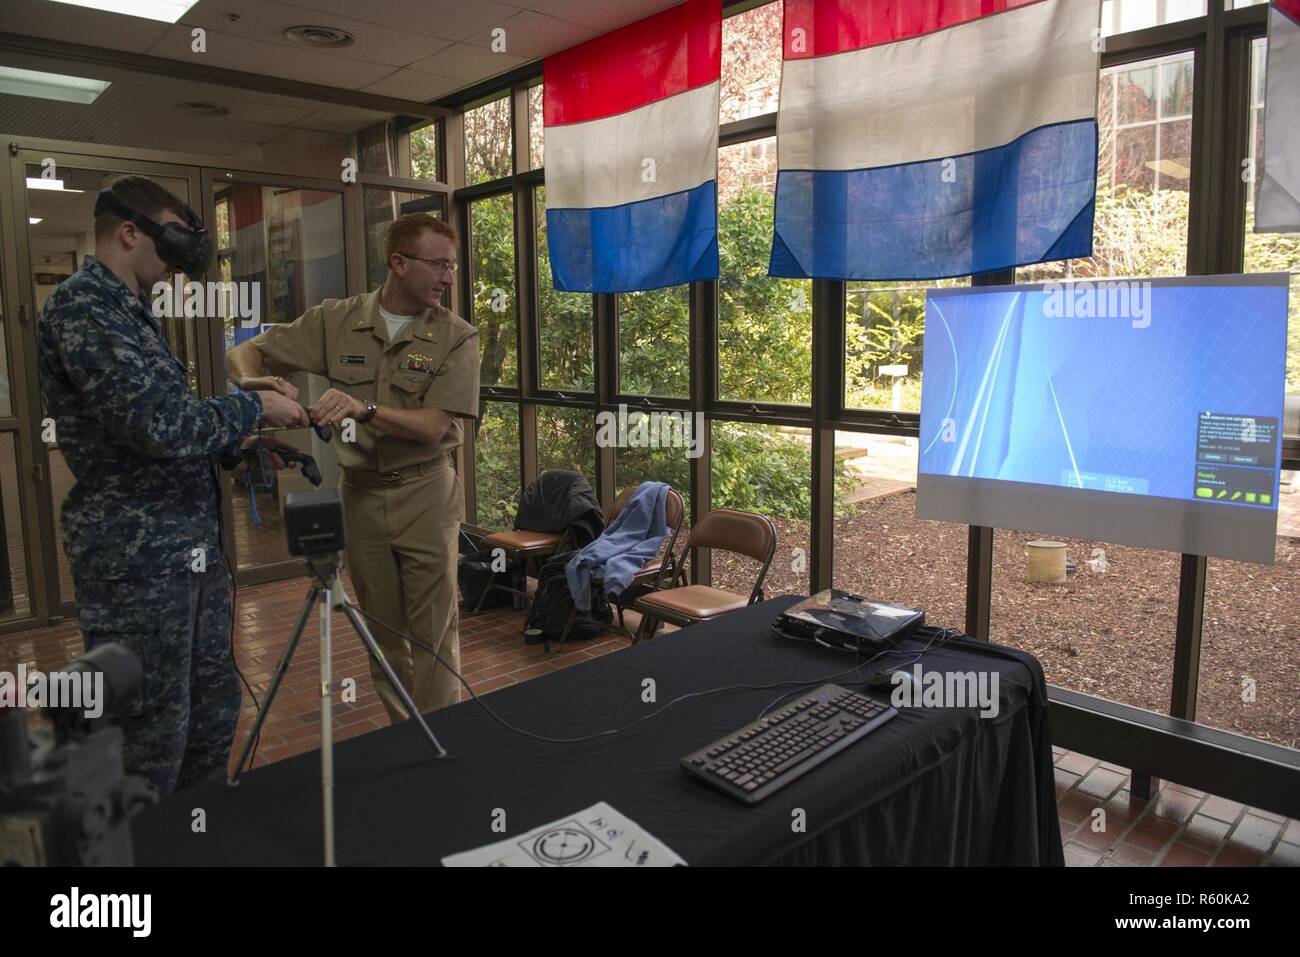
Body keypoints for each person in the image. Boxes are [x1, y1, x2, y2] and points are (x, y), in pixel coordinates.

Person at [37, 175, 308, 796]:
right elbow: (155, 424)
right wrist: (252, 408)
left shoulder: (131, 311)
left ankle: (196, 838)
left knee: (209, 713)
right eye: (170, 243)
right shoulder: (86, 306)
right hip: (137, 564)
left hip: (185, 554)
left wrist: (240, 443)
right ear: (129, 232)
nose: (176, 265)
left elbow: (165, 429)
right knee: (146, 735)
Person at [226, 213, 480, 722]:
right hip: (360, 495)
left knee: (433, 632)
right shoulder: (335, 320)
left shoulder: (456, 336)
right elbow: (244, 355)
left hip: (426, 493)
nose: (448, 278)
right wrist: (262, 391)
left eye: (451, 266)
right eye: (438, 265)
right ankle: (406, 736)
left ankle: (445, 742)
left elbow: (435, 427)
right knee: (382, 634)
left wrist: (365, 410)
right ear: (399, 262)